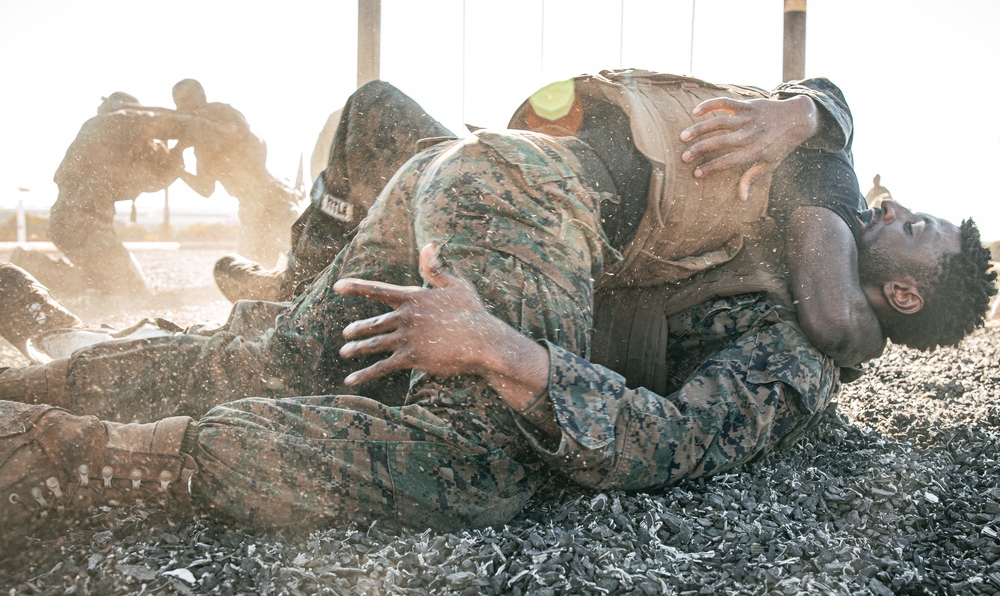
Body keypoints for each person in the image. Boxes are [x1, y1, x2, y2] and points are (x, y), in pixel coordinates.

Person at [0, 72, 994, 543]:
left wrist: (506, 350)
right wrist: (509, 354)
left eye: (918, 229)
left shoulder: (796, 355)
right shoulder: (808, 200)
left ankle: (39, 393)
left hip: (470, 179)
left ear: (900, 294)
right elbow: (820, 102)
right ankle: (73, 451)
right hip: (522, 199)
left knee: (286, 351)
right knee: (477, 468)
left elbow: (670, 438)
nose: (894, 207)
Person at [213, 80, 454, 303]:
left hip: (328, 270)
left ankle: (292, 286)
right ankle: (294, 283)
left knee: (371, 98)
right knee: (371, 99)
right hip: (450, 216)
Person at [10, 93, 212, 296]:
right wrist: (204, 126)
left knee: (104, 284)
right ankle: (29, 266)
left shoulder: (113, 146)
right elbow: (163, 124)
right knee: (130, 290)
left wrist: (177, 150)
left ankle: (30, 268)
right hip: (83, 224)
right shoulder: (111, 123)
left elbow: (154, 181)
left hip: (81, 224)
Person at [169, 79, 300, 268]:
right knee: (252, 272)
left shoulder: (223, 113)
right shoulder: (203, 149)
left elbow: (231, 131)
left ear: (202, 98)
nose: (181, 107)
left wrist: (184, 141)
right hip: (250, 206)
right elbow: (205, 189)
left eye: (186, 99)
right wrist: (179, 171)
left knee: (303, 260)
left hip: (274, 198)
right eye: (177, 102)